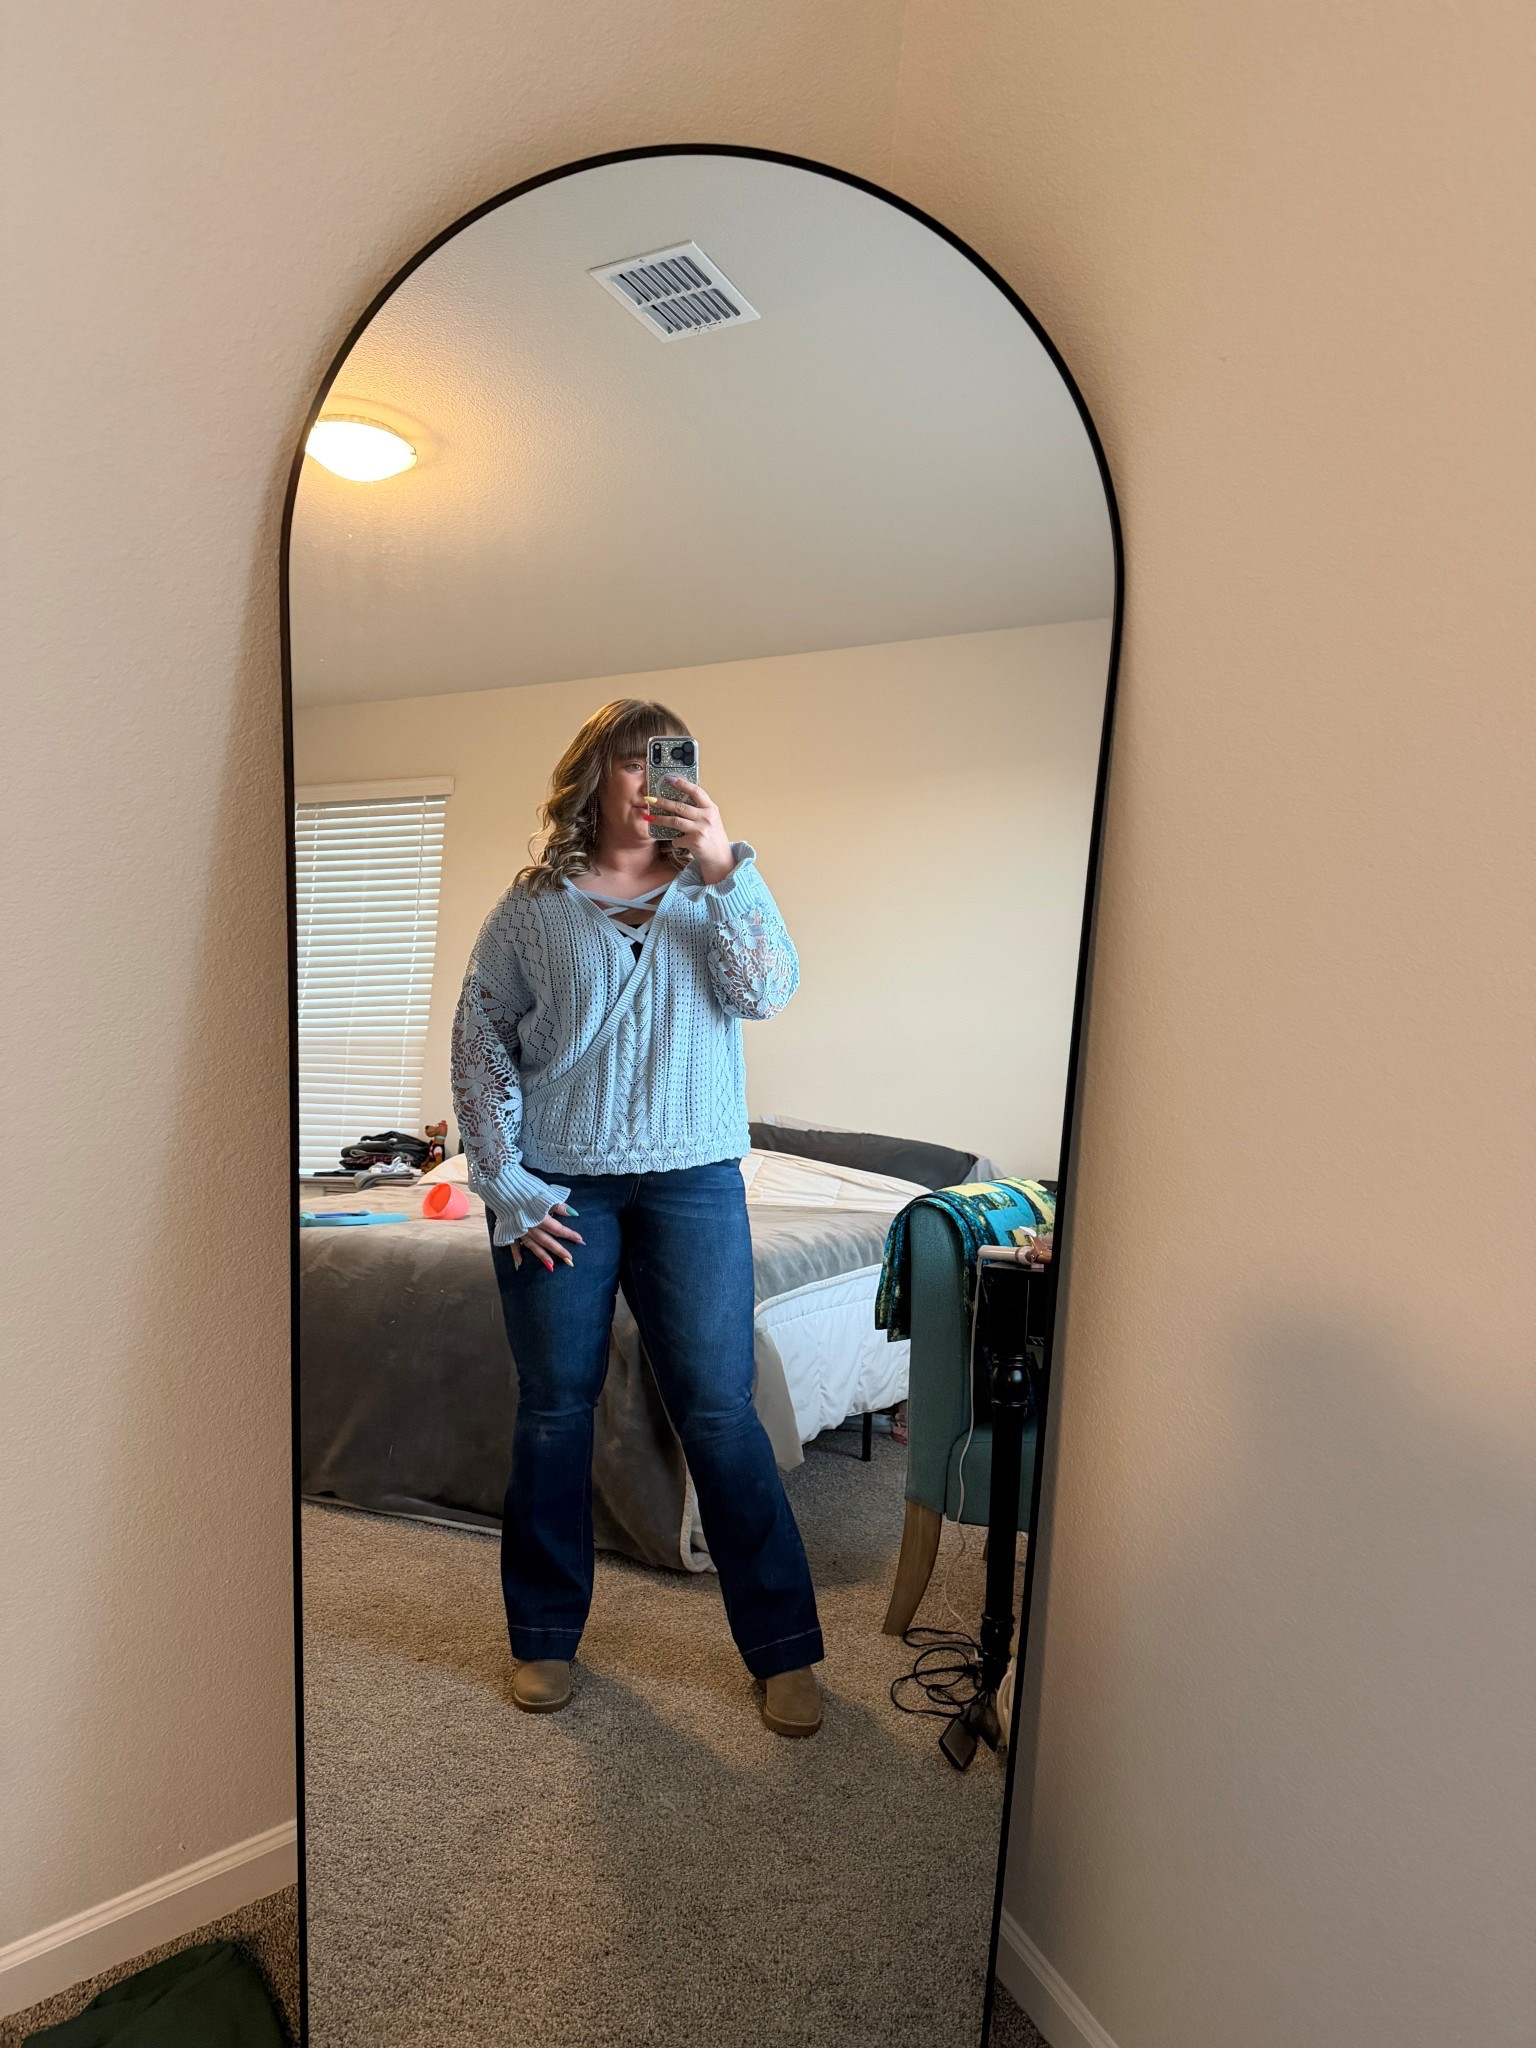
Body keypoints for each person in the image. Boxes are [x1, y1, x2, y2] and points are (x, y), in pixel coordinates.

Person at [450, 697, 825, 1737]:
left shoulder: (715, 889)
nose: (656, 779)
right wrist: (505, 1184)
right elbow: (481, 1041)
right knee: (554, 1408)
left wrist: (724, 864)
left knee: (720, 1408)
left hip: (694, 1182)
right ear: (593, 778)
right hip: (560, 1189)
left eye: (671, 760)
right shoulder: (531, 906)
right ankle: (543, 1635)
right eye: (632, 760)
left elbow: (768, 991)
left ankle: (784, 1647)